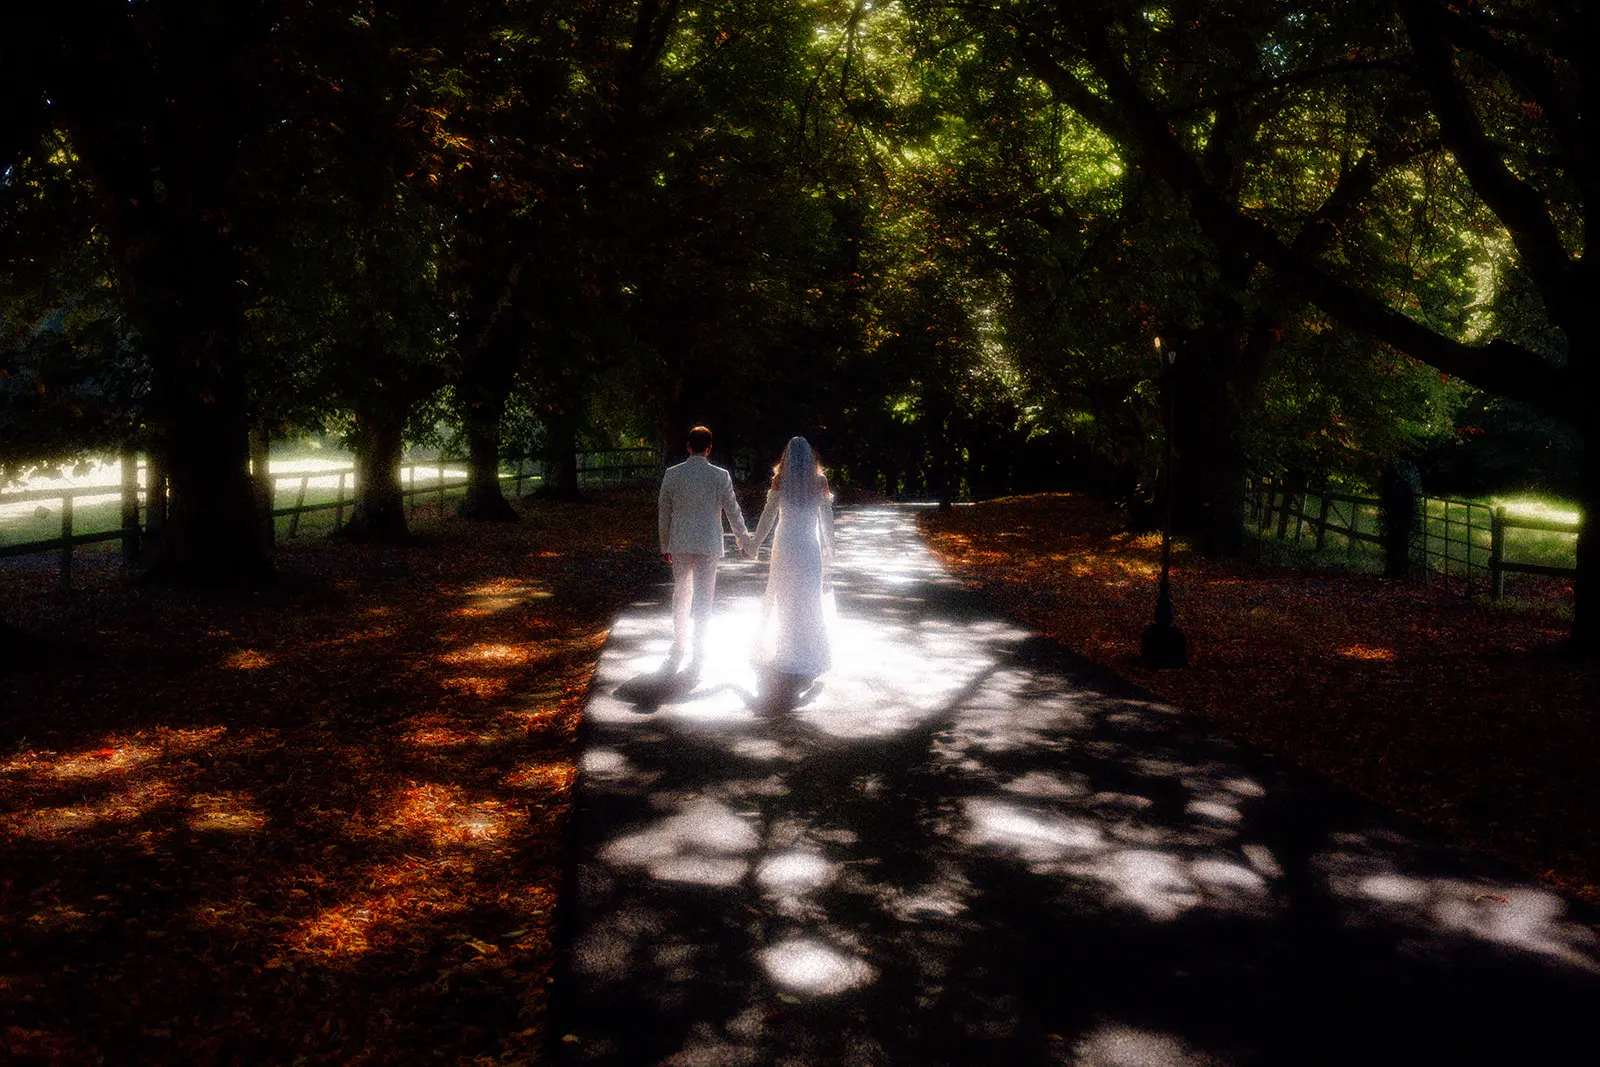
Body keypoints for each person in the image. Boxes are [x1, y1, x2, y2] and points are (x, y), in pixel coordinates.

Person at [658, 425, 751, 675]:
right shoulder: (720, 476)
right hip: (709, 544)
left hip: (680, 542)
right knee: (704, 598)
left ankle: (679, 643)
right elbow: (733, 511)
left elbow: (664, 513)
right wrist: (744, 541)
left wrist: (664, 543)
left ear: (688, 446)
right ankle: (699, 647)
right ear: (709, 449)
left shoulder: (672, 474)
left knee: (682, 593)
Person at [748, 436, 835, 681]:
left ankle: (787, 651)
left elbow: (767, 517)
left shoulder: (779, 481)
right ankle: (811, 652)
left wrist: (753, 544)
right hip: (808, 544)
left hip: (785, 544)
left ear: (786, 456)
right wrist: (831, 548)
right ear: (810, 457)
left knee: (784, 598)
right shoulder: (819, 481)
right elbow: (826, 518)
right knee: (810, 598)